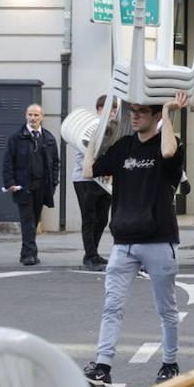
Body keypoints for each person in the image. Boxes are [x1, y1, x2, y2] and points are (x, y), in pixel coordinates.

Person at [81, 92, 189, 387]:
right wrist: (96, 132)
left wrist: (168, 112)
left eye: (142, 112)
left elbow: (168, 153)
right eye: (134, 111)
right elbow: (90, 170)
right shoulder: (123, 147)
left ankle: (170, 363)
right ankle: (102, 367)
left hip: (159, 240)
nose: (135, 115)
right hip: (124, 242)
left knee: (166, 308)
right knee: (111, 307)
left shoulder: (169, 145)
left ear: (155, 117)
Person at [1, 103, 60, 266]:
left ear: (42, 117)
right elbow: (8, 161)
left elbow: (55, 162)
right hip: (23, 186)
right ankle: (29, 255)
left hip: (41, 187)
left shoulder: (48, 138)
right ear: (25, 116)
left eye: (36, 115)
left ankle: (27, 252)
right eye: (30, 115)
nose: (33, 118)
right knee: (27, 220)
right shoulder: (16, 137)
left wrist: (54, 183)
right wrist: (10, 183)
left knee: (34, 221)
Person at [72, 95, 113, 271]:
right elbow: (81, 155)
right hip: (85, 179)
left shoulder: (114, 128)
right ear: (98, 109)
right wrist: (98, 171)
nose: (112, 112)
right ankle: (90, 256)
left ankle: (92, 253)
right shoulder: (90, 127)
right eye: (108, 108)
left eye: (114, 109)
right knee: (89, 218)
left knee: (102, 218)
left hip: (105, 181)